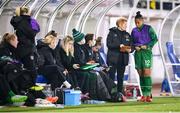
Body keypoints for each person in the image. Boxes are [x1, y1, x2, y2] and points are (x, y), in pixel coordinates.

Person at [131, 11, 158, 102]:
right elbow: (131, 42)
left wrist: (147, 46)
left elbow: (155, 39)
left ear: (142, 21)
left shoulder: (149, 28)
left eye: (138, 22)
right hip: (138, 54)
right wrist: (135, 47)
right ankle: (143, 95)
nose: (137, 24)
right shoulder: (134, 30)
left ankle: (148, 95)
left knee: (146, 73)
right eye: (135, 23)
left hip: (146, 53)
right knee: (140, 74)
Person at [10, 7, 40, 87]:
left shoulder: (17, 20)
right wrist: (33, 22)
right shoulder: (27, 21)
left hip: (19, 48)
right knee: (32, 70)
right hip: (27, 49)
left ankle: (23, 87)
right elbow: (32, 33)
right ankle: (31, 88)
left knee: (22, 69)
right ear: (27, 12)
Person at [107, 17, 133, 94]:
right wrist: (119, 45)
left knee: (120, 78)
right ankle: (110, 93)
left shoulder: (127, 35)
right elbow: (109, 45)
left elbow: (131, 45)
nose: (126, 26)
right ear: (120, 24)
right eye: (125, 24)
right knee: (111, 77)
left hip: (123, 59)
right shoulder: (112, 33)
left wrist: (130, 50)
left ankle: (119, 93)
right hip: (113, 59)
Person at [0, 33, 27, 105]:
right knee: (5, 76)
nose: (18, 41)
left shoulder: (12, 50)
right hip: (3, 71)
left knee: (15, 73)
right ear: (11, 41)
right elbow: (5, 60)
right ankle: (12, 95)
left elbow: (13, 61)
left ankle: (17, 94)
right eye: (16, 40)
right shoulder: (3, 49)